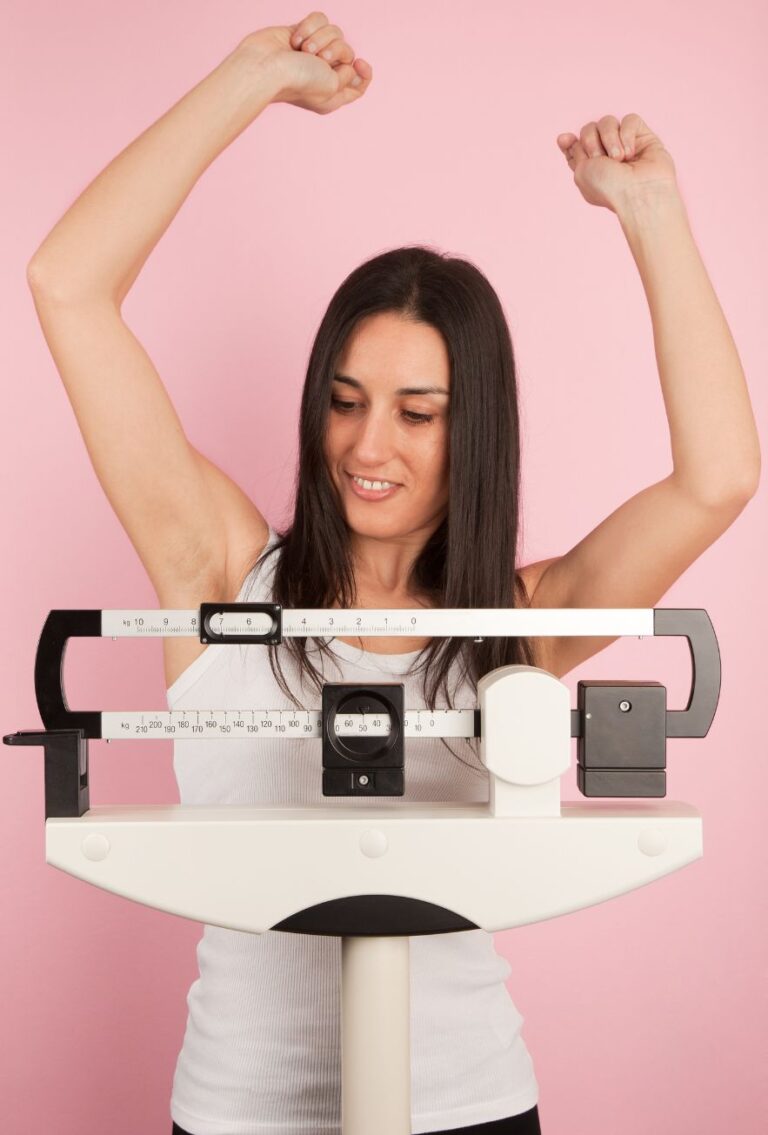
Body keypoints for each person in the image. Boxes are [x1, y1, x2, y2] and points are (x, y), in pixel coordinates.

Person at [25, 11, 760, 1135]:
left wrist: (652, 216)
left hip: (468, 1104)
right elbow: (66, 282)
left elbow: (716, 479)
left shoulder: (526, 617)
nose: (371, 449)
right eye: (346, 400)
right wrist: (249, 79)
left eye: (419, 414)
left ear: (476, 435)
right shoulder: (217, 567)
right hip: (242, 1112)